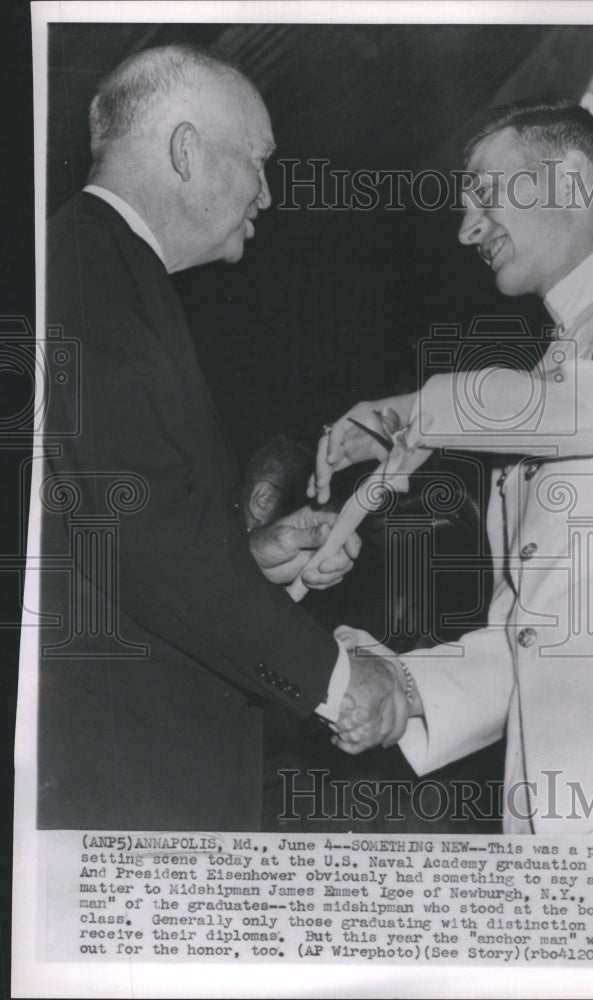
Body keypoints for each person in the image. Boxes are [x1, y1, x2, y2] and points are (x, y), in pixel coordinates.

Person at [313, 100, 593, 834]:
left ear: (567, 178)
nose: (467, 227)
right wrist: (402, 691)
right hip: (549, 817)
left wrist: (421, 410)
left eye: (483, 191)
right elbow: (527, 640)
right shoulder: (543, 387)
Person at [38, 44, 409, 831]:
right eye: (259, 160)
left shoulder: (104, 269)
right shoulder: (88, 275)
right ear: (184, 150)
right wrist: (340, 681)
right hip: (121, 779)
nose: (269, 194)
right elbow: (148, 538)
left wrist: (251, 558)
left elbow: (106, 538)